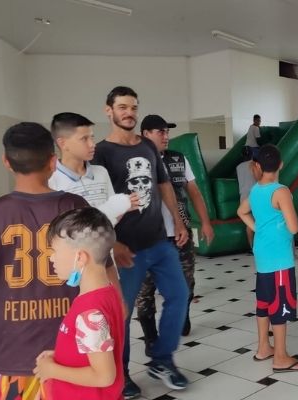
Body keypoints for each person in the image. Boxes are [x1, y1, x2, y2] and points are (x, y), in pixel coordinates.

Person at [0, 122, 102, 400]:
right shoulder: (76, 206)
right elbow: (100, 275)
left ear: (6, 162)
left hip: (10, 351)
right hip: (70, 348)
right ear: (53, 161)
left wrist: (7, 285)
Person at [92, 86, 190, 398]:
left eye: (133, 107)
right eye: (122, 107)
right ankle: (120, 374)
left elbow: (163, 184)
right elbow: (99, 202)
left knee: (179, 295)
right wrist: (110, 242)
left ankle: (162, 358)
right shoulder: (102, 153)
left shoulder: (148, 145)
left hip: (158, 241)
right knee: (121, 311)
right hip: (125, 248)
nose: (128, 113)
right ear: (109, 110)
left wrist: (177, 218)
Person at [137, 114, 214, 340]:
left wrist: (206, 222)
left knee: (186, 282)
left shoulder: (178, 159)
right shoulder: (137, 162)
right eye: (160, 131)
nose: (166, 136)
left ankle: (183, 314)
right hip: (148, 238)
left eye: (167, 131)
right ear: (145, 134)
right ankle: (151, 336)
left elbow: (194, 192)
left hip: (180, 234)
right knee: (145, 291)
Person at [33, 207, 124, 399]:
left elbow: (104, 376)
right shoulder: (106, 292)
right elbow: (98, 345)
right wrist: (62, 355)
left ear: (80, 257)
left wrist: (52, 370)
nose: (51, 257)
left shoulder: (89, 312)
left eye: (54, 251)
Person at [237, 145, 298, 373]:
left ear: (257, 166)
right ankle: (280, 357)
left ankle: (263, 348)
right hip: (279, 257)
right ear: (281, 164)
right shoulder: (281, 191)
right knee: (279, 306)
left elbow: (241, 212)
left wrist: (258, 229)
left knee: (264, 302)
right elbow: (294, 226)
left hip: (262, 256)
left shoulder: (256, 190)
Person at [48, 112, 137, 225]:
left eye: (92, 138)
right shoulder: (51, 180)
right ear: (63, 143)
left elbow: (113, 218)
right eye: (84, 139)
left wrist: (124, 205)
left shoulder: (101, 172)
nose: (92, 144)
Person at [236, 146, 259, 249]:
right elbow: (258, 178)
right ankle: (259, 246)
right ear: (252, 154)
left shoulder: (238, 167)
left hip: (243, 196)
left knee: (248, 222)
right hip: (253, 195)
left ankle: (251, 246)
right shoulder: (254, 164)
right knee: (258, 220)